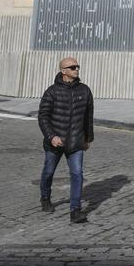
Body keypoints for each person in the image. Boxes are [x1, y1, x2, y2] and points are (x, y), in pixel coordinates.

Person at [38, 56, 94, 223]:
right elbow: (43, 117)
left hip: (76, 141)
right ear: (63, 71)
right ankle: (45, 197)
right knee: (48, 172)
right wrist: (51, 136)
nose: (76, 69)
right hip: (55, 142)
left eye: (77, 66)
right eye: (72, 67)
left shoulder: (85, 90)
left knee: (77, 174)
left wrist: (87, 138)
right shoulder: (52, 91)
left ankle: (75, 211)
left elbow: (88, 117)